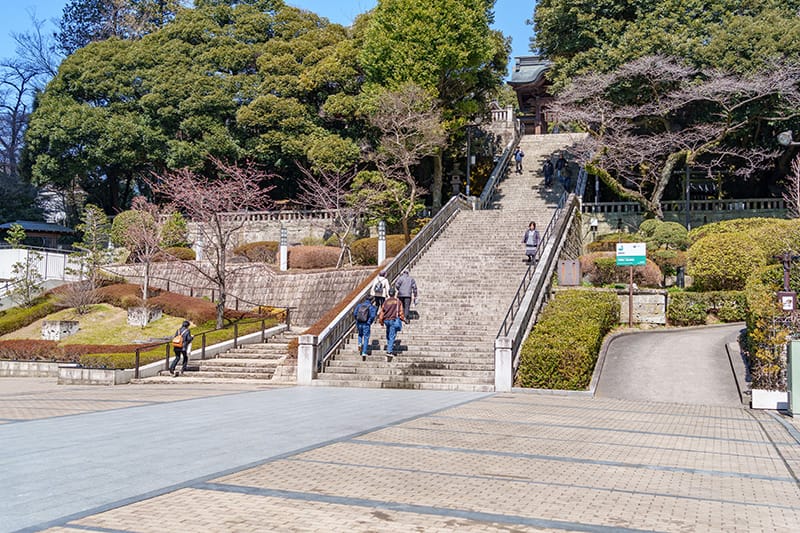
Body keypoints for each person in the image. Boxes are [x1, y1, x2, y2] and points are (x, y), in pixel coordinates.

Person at [379, 287, 405, 359]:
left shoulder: (386, 301)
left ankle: (389, 346)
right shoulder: (398, 301)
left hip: (386, 320)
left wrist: (381, 321)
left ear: (389, 293)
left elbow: (382, 312)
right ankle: (389, 351)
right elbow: (401, 311)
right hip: (393, 319)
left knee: (388, 334)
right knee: (392, 335)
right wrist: (402, 318)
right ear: (394, 293)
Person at [353, 296, 377, 361]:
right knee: (366, 337)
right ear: (372, 300)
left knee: (360, 334)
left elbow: (355, 313)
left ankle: (359, 343)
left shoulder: (359, 305)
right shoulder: (371, 307)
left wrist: (357, 320)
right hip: (366, 323)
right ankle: (364, 352)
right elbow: (372, 316)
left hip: (359, 323)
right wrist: (369, 322)